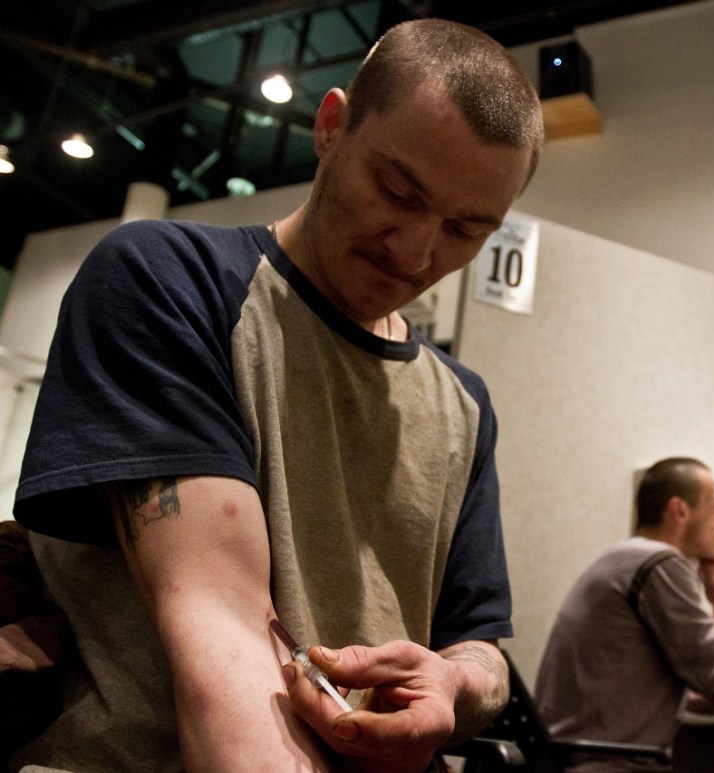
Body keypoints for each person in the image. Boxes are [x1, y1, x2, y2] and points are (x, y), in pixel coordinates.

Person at [10, 17, 543, 773]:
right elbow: (220, 630)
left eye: (465, 228)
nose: (419, 251)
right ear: (332, 126)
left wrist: (455, 683)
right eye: (397, 191)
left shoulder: (464, 404)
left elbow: (480, 644)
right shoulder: (168, 280)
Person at [534, 457, 714, 772]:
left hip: (566, 760)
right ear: (679, 510)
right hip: (611, 764)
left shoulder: (619, 558)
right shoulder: (661, 563)